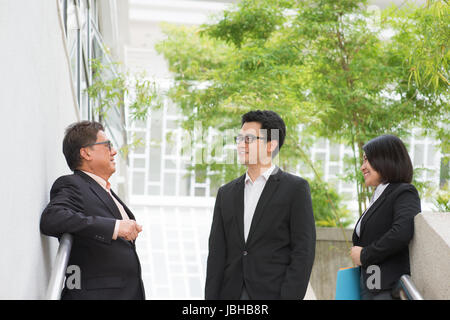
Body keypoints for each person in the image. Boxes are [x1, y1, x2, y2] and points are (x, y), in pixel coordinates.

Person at [205, 110, 316, 300]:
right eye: (239, 139)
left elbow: (303, 252)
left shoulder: (295, 189)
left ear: (270, 145)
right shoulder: (226, 193)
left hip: (272, 294)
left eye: (248, 139)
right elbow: (216, 255)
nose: (241, 145)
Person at [40, 121, 145, 300]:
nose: (114, 152)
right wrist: (115, 227)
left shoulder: (106, 191)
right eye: (107, 146)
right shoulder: (72, 184)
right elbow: (52, 218)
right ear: (86, 152)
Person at [350, 134, 421, 300]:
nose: (362, 167)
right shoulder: (379, 195)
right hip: (372, 287)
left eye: (367, 160)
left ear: (385, 159)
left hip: (386, 289)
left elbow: (402, 232)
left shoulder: (404, 192)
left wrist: (365, 255)